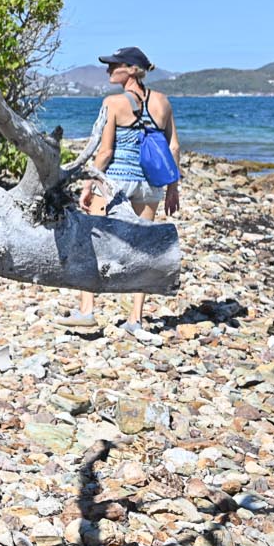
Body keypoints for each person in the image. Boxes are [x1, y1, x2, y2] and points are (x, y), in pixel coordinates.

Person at [76, 45, 178, 332]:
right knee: (143, 250)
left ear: (131, 70)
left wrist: (89, 183)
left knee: (90, 239)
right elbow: (173, 147)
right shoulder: (163, 102)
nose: (109, 69)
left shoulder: (113, 103)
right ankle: (136, 319)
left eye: (114, 65)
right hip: (150, 185)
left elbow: (105, 152)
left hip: (116, 182)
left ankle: (87, 311)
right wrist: (173, 189)